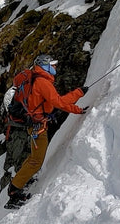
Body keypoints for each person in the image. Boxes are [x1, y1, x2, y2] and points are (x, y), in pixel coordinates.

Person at [6, 54, 87, 208]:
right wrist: (78, 99)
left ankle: (20, 181)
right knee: (36, 161)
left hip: (36, 122)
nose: (55, 67)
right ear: (45, 66)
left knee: (33, 157)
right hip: (38, 125)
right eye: (53, 64)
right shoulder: (43, 82)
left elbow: (56, 102)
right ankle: (14, 192)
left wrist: (78, 101)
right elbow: (59, 102)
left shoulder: (38, 79)